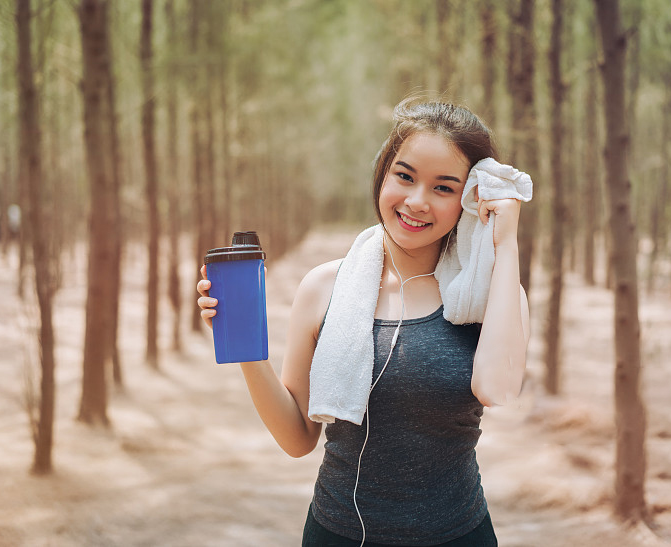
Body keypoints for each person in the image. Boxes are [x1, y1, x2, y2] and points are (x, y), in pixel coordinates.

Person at [197, 98, 531, 547]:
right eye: (405, 176)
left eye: (444, 188)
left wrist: (505, 244)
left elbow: (497, 389)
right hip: (337, 533)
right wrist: (244, 347)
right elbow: (298, 438)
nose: (416, 201)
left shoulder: (489, 294)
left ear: (471, 200)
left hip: (457, 534)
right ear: (383, 173)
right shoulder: (323, 287)